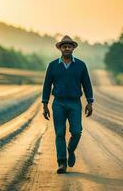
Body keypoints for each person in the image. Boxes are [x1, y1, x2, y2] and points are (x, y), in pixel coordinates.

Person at [41, 35, 94, 174]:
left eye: (69, 46)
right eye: (64, 46)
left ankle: (70, 150)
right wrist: (45, 104)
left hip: (75, 103)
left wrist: (90, 102)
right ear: (60, 48)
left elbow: (87, 84)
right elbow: (46, 85)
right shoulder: (53, 66)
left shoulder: (81, 65)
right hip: (58, 103)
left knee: (76, 132)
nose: (66, 48)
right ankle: (61, 163)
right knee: (59, 133)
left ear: (73, 48)